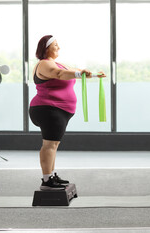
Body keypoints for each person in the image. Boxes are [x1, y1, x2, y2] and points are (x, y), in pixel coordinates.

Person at [29, 35, 106, 190]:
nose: (59, 47)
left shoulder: (57, 63)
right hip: (48, 109)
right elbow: (59, 74)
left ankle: (50, 175)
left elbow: (74, 71)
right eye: (55, 45)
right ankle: (46, 181)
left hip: (58, 110)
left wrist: (94, 75)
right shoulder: (44, 65)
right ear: (46, 48)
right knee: (49, 145)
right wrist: (79, 74)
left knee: (54, 144)